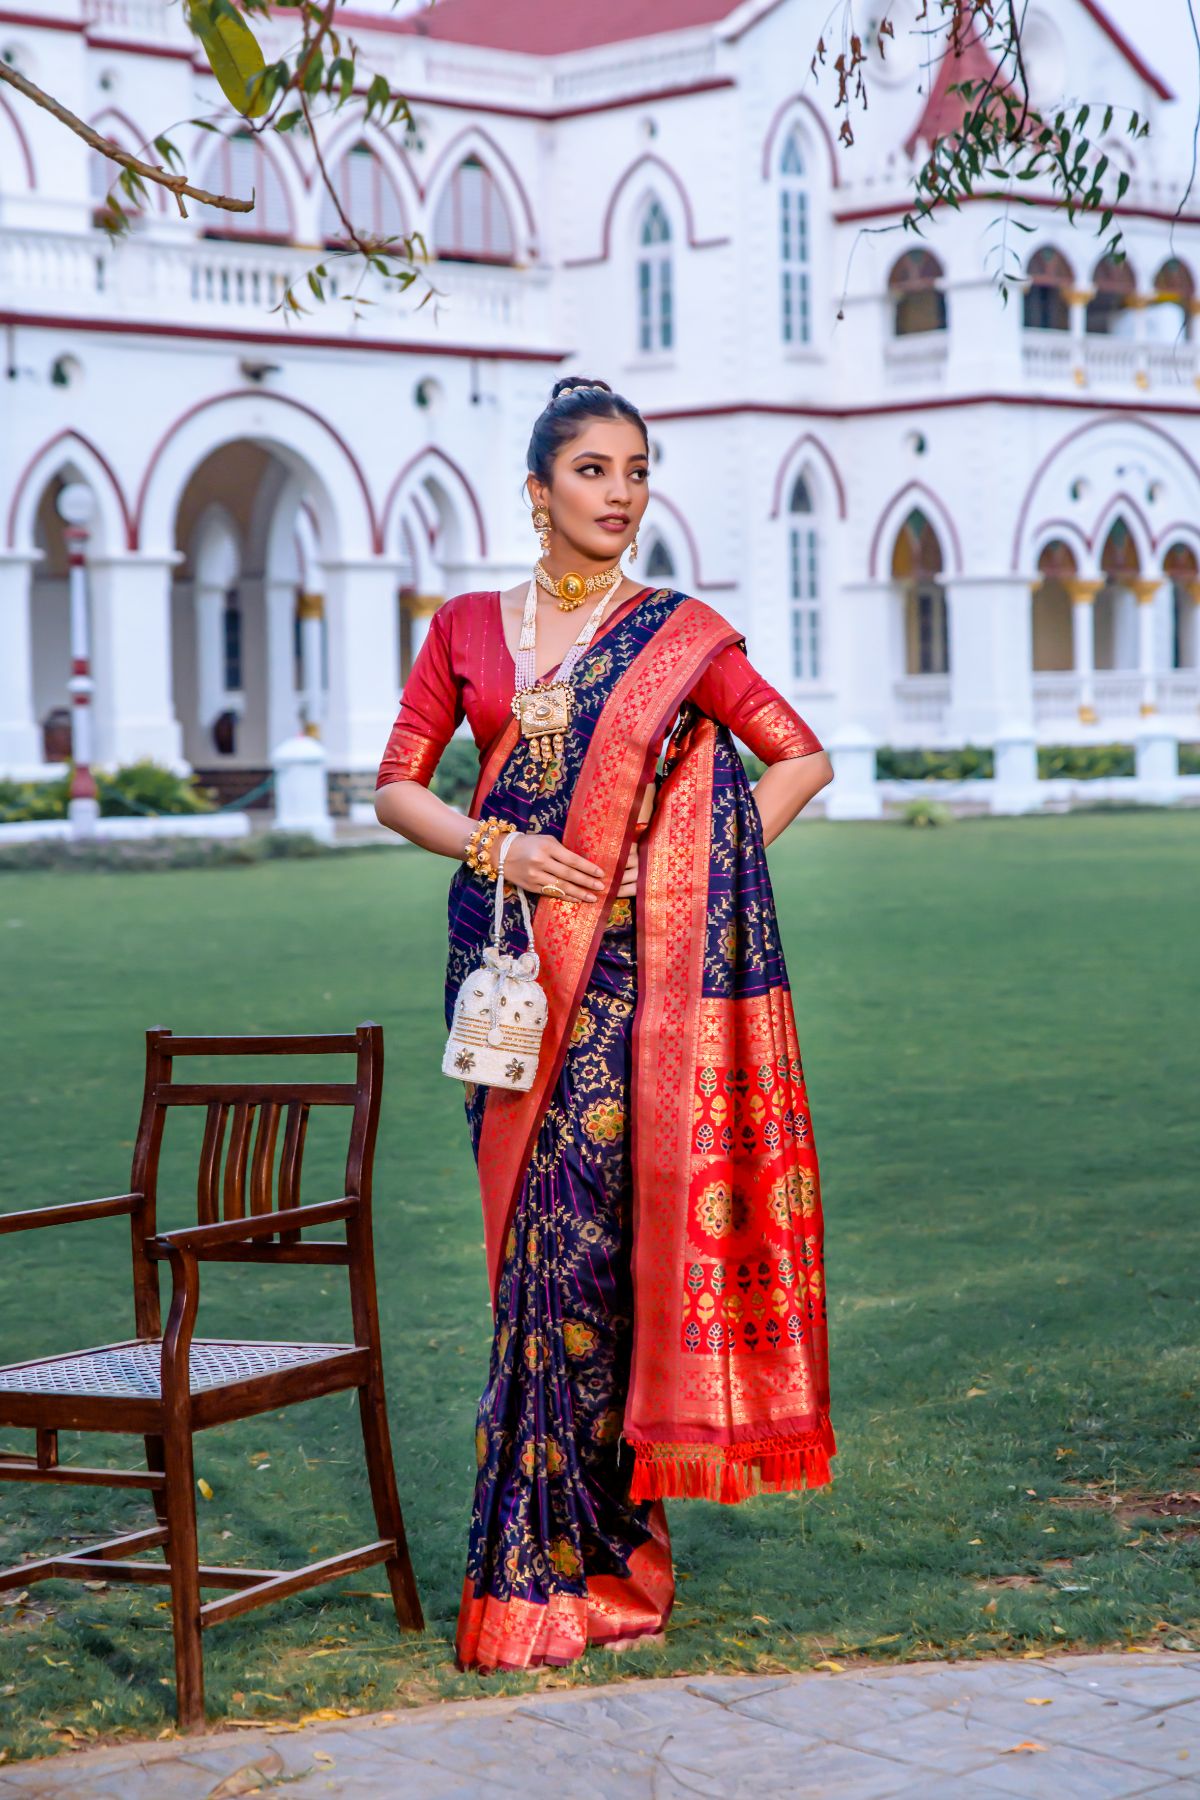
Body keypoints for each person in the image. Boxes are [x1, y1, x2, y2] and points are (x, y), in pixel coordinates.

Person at [375, 377, 837, 1673]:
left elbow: (796, 757)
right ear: (538, 488)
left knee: (589, 1266)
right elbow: (394, 787)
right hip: (507, 979)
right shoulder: (466, 627)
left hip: (637, 991)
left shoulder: (678, 633)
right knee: (527, 1263)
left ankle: (600, 1560)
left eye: (635, 468)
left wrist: (668, 880)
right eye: (591, 469)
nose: (620, 490)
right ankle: (530, 1568)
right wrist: (499, 844)